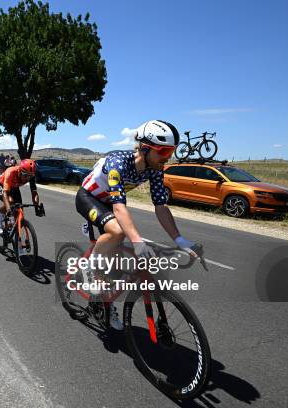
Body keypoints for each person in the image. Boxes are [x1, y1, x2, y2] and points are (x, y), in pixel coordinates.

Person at [75, 119, 198, 330]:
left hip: (109, 203)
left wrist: (179, 239)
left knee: (114, 267)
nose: (167, 158)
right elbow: (119, 208)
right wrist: (138, 241)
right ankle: (89, 268)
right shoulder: (117, 163)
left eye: (172, 152)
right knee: (118, 231)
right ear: (145, 147)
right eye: (163, 151)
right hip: (89, 197)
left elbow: (161, 206)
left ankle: (105, 302)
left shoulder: (155, 168)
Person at [0, 159, 44, 239]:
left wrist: (36, 207)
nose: (27, 178)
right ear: (20, 171)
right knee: (10, 202)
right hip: (2, 185)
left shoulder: (31, 175)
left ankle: (14, 234)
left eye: (30, 176)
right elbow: (5, 193)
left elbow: (34, 193)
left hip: (15, 187)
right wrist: (8, 208)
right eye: (25, 175)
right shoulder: (11, 172)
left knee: (20, 213)